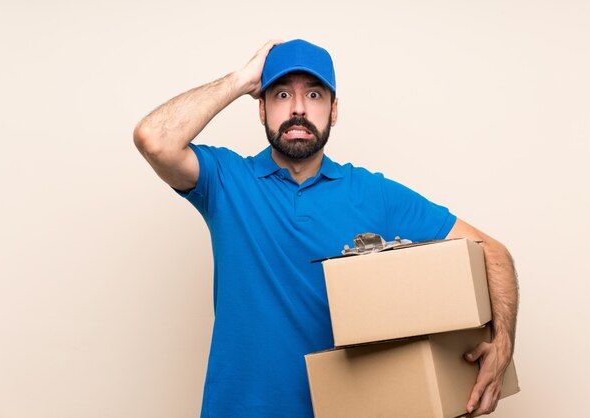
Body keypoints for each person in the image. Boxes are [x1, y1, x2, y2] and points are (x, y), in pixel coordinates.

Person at [133, 39, 518, 418]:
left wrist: (503, 345)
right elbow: (155, 139)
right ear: (261, 109)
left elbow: (493, 253)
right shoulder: (227, 181)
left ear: (334, 111)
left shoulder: (373, 194)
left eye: (314, 95)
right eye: (281, 95)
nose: (298, 109)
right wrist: (240, 79)